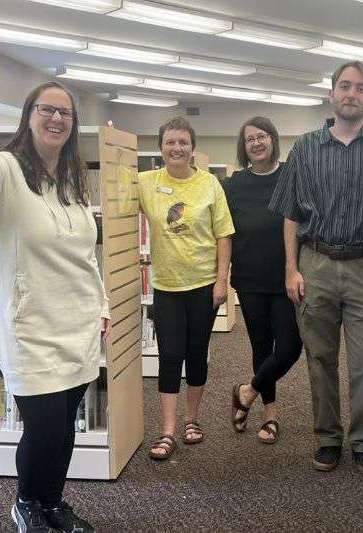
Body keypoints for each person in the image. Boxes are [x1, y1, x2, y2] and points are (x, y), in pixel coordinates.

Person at [0, 81, 109, 533]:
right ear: (28, 115)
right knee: (43, 426)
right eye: (47, 110)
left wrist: (104, 306)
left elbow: (85, 256)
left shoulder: (74, 182)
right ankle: (26, 505)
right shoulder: (3, 172)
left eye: (65, 113)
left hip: (77, 324)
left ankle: (53, 503)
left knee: (65, 428)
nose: (56, 119)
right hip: (28, 327)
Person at [269, 61, 363, 476]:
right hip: (314, 263)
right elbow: (289, 215)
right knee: (319, 358)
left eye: (361, 88)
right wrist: (291, 269)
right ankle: (327, 438)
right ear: (331, 93)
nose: (351, 93)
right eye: (344, 86)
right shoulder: (304, 148)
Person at [138, 116, 235, 460]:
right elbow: (112, 186)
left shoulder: (209, 184)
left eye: (183, 142)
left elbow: (223, 234)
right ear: (160, 147)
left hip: (203, 284)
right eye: (170, 142)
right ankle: (166, 431)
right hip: (165, 287)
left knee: (196, 354)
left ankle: (191, 420)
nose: (176, 148)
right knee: (169, 355)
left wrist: (222, 280)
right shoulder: (146, 182)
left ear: (192, 148)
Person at [223, 117, 302, 444]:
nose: (256, 143)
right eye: (249, 139)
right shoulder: (233, 184)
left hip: (285, 277)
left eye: (262, 136)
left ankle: (247, 391)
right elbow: (222, 232)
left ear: (273, 140)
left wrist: (294, 267)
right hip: (250, 278)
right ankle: (270, 416)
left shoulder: (290, 177)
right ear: (243, 147)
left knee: (289, 347)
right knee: (260, 346)